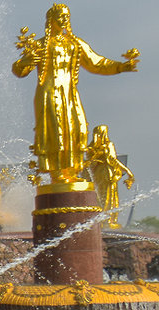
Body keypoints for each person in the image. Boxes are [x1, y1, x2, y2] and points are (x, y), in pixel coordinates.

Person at [12, 4, 138, 184]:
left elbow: (96, 62)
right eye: (60, 16)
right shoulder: (40, 45)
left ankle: (70, 172)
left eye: (67, 16)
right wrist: (24, 61)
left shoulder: (75, 44)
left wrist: (121, 66)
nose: (64, 20)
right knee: (55, 132)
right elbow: (19, 71)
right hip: (49, 94)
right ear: (51, 20)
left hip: (70, 94)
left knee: (76, 129)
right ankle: (57, 174)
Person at [87, 125, 134, 229]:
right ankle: (109, 220)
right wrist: (127, 171)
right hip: (107, 174)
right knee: (110, 197)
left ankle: (100, 219)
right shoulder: (108, 145)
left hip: (97, 174)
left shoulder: (92, 147)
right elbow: (113, 160)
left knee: (99, 196)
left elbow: (89, 163)